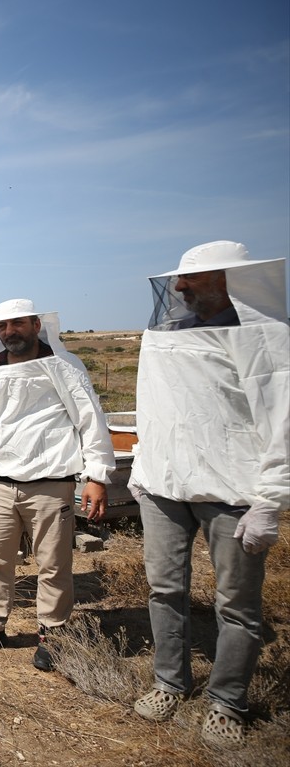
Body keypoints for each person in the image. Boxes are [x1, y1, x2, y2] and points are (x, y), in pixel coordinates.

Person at [127, 241, 288, 747]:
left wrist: (271, 499)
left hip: (233, 491)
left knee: (237, 605)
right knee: (164, 590)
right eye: (179, 280)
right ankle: (169, 682)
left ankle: (227, 702)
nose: (178, 288)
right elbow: (152, 406)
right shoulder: (167, 333)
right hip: (162, 486)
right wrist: (142, 464)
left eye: (191, 280)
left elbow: (281, 422)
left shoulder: (267, 338)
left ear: (227, 281)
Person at [0, 299, 113, 671]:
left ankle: (52, 632)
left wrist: (97, 475)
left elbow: (90, 419)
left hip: (50, 483)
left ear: (37, 324)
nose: (10, 332)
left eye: (18, 324)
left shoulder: (63, 365)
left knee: (54, 563)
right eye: (3, 327)